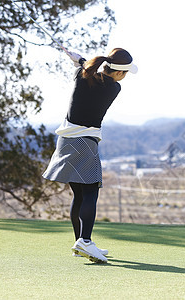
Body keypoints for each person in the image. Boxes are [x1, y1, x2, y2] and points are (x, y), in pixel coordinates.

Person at [42, 48, 137, 263]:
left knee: (79, 194)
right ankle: (85, 241)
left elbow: (86, 70)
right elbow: (89, 69)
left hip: (65, 141)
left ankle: (82, 242)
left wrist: (80, 61)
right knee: (91, 191)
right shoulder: (114, 88)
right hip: (85, 143)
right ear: (119, 73)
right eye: (126, 73)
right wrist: (81, 60)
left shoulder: (81, 75)